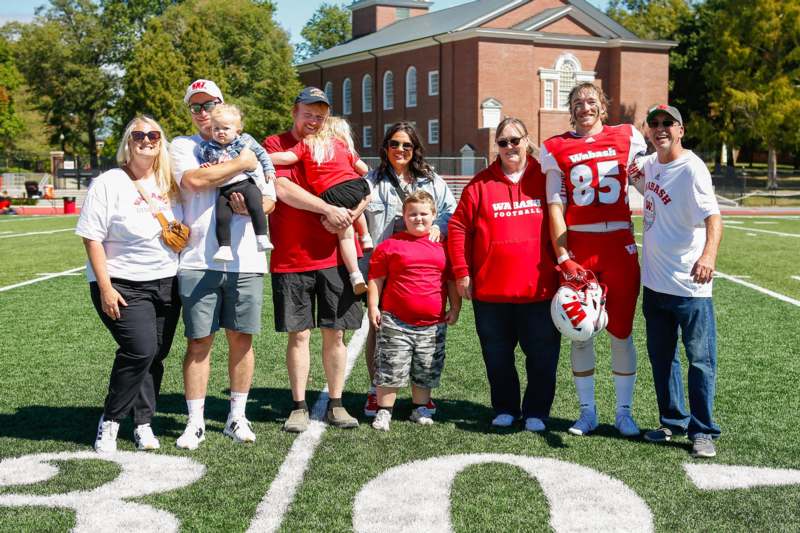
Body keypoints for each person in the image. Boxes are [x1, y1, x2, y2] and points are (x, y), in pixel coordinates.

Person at [169, 78, 274, 449]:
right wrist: (240, 165)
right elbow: (196, 179)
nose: (202, 112)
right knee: (199, 342)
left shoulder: (247, 143)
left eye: (208, 104)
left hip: (246, 258)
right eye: (195, 106)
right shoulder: (183, 145)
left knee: (241, 340)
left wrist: (256, 201)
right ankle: (195, 422)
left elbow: (269, 197)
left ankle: (236, 417)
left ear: (221, 105)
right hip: (199, 258)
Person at [541, 82, 647, 437]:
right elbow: (555, 204)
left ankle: (624, 412)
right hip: (581, 249)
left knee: (621, 333)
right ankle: (587, 412)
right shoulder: (556, 147)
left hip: (619, 245)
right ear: (571, 109)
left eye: (591, 101)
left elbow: (648, 181)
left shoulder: (627, 137)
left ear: (603, 106)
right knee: (580, 334)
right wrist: (563, 254)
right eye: (578, 102)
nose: (585, 107)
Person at [76, 115, 182, 453]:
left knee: (156, 355)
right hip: (122, 282)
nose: (147, 140)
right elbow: (91, 238)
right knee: (139, 349)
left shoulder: (170, 182)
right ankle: (110, 421)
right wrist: (106, 288)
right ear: (128, 141)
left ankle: (143, 423)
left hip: (167, 280)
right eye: (139, 134)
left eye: (154, 135)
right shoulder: (109, 182)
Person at [448, 117, 561, 432]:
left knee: (542, 356)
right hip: (491, 292)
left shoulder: (546, 178)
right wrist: (462, 272)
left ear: (527, 140)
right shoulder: (480, 184)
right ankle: (506, 407)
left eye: (515, 140)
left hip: (540, 290)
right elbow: (458, 228)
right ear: (496, 147)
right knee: (497, 357)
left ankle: (537, 411)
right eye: (503, 142)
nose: (510, 147)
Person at [263, 87, 364, 433]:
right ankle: (299, 405)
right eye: (308, 112)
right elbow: (283, 190)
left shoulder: (334, 140)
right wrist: (329, 210)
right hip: (292, 256)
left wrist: (349, 214)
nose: (314, 120)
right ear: (294, 111)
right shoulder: (275, 144)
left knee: (336, 335)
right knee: (299, 335)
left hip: (335, 255)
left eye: (320, 114)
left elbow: (359, 182)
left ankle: (336, 403)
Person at [633, 104, 722, 458]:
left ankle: (703, 431)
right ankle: (673, 421)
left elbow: (714, 217)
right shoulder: (651, 164)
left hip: (690, 287)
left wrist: (708, 256)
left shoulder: (692, 168)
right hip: (655, 284)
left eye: (667, 123)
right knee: (663, 358)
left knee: (700, 360)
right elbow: (642, 183)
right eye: (654, 123)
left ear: (681, 130)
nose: (660, 128)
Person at [360, 121, 456, 417]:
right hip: (381, 262)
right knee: (379, 329)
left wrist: (438, 227)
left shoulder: (430, 180)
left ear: (415, 149)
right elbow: (356, 212)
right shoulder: (371, 180)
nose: (400, 150)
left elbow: (451, 211)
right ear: (385, 147)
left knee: (423, 332)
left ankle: (420, 396)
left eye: (406, 145)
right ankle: (378, 390)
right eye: (394, 144)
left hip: (420, 267)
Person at [367, 191, 461, 431]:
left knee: (425, 368)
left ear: (434, 215)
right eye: (412, 214)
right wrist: (373, 307)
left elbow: (450, 281)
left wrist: (456, 307)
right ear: (403, 216)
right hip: (396, 321)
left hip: (432, 323)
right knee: (390, 367)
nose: (418, 218)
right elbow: (376, 279)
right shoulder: (390, 245)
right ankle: (384, 411)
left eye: (423, 214)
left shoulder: (443, 247)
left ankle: (419, 408)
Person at [269, 116, 372, 294]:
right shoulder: (343, 145)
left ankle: (355, 275)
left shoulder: (308, 142)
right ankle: (365, 236)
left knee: (345, 235)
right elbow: (364, 170)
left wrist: (261, 157)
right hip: (355, 185)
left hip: (332, 192)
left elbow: (286, 158)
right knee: (355, 206)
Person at [200, 103, 276, 263]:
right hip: (225, 189)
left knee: (256, 205)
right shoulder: (207, 147)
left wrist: (269, 170)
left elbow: (262, 154)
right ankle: (224, 248)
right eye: (216, 129)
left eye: (226, 128)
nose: (220, 132)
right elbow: (206, 166)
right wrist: (205, 165)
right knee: (221, 217)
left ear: (237, 129)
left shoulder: (245, 141)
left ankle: (261, 237)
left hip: (245, 184)